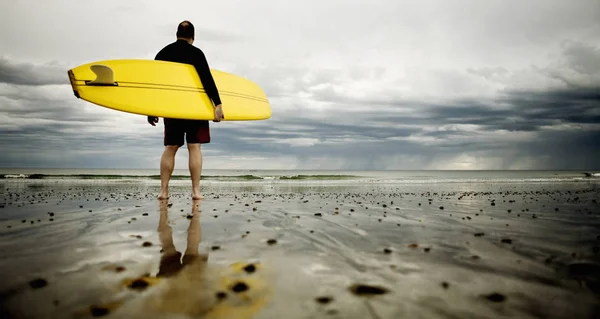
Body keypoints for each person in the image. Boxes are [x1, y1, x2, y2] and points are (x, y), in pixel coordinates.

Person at [148, 20, 224, 200]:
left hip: (172, 107)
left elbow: (153, 83)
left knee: (171, 147)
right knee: (194, 147)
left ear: (176, 35)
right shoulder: (196, 53)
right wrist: (217, 104)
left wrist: (151, 108)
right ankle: (196, 191)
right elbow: (206, 78)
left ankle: (164, 191)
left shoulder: (163, 53)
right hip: (194, 106)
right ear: (193, 37)